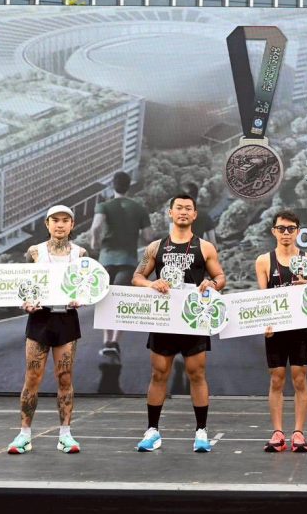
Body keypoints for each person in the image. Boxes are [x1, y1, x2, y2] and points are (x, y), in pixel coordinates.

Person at [132, 192, 226, 453]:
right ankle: (152, 431)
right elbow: (137, 277)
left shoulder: (205, 247)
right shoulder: (155, 247)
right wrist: (152, 284)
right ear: (170, 213)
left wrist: (211, 284)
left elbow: (221, 277)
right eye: (179, 208)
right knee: (158, 373)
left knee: (197, 374)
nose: (183, 212)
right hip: (164, 319)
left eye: (188, 208)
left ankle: (201, 432)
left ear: (194, 215)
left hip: (194, 319)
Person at [7, 205, 84, 455]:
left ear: (72, 225)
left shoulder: (80, 253)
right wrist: (25, 303)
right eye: (55, 220)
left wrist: (81, 297)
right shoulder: (34, 252)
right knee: (32, 377)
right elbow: (23, 285)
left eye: (65, 220)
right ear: (47, 224)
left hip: (67, 319)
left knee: (65, 377)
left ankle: (65, 435)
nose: (60, 225)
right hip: (40, 319)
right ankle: (24, 435)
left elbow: (86, 286)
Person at [254, 210, 307, 453]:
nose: (286, 233)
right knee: (277, 378)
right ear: (274, 231)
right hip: (276, 329)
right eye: (281, 228)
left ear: (298, 232)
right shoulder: (264, 261)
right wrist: (265, 322)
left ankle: (299, 433)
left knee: (300, 378)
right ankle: (278, 432)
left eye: (290, 229)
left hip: (300, 327)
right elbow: (263, 297)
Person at [90, 171, 152, 361]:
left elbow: (96, 227)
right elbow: (148, 236)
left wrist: (95, 242)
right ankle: (114, 343)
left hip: (106, 259)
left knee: (105, 301)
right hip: (128, 260)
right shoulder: (139, 209)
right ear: (129, 186)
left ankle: (106, 342)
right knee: (121, 302)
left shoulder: (104, 206)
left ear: (112, 186)